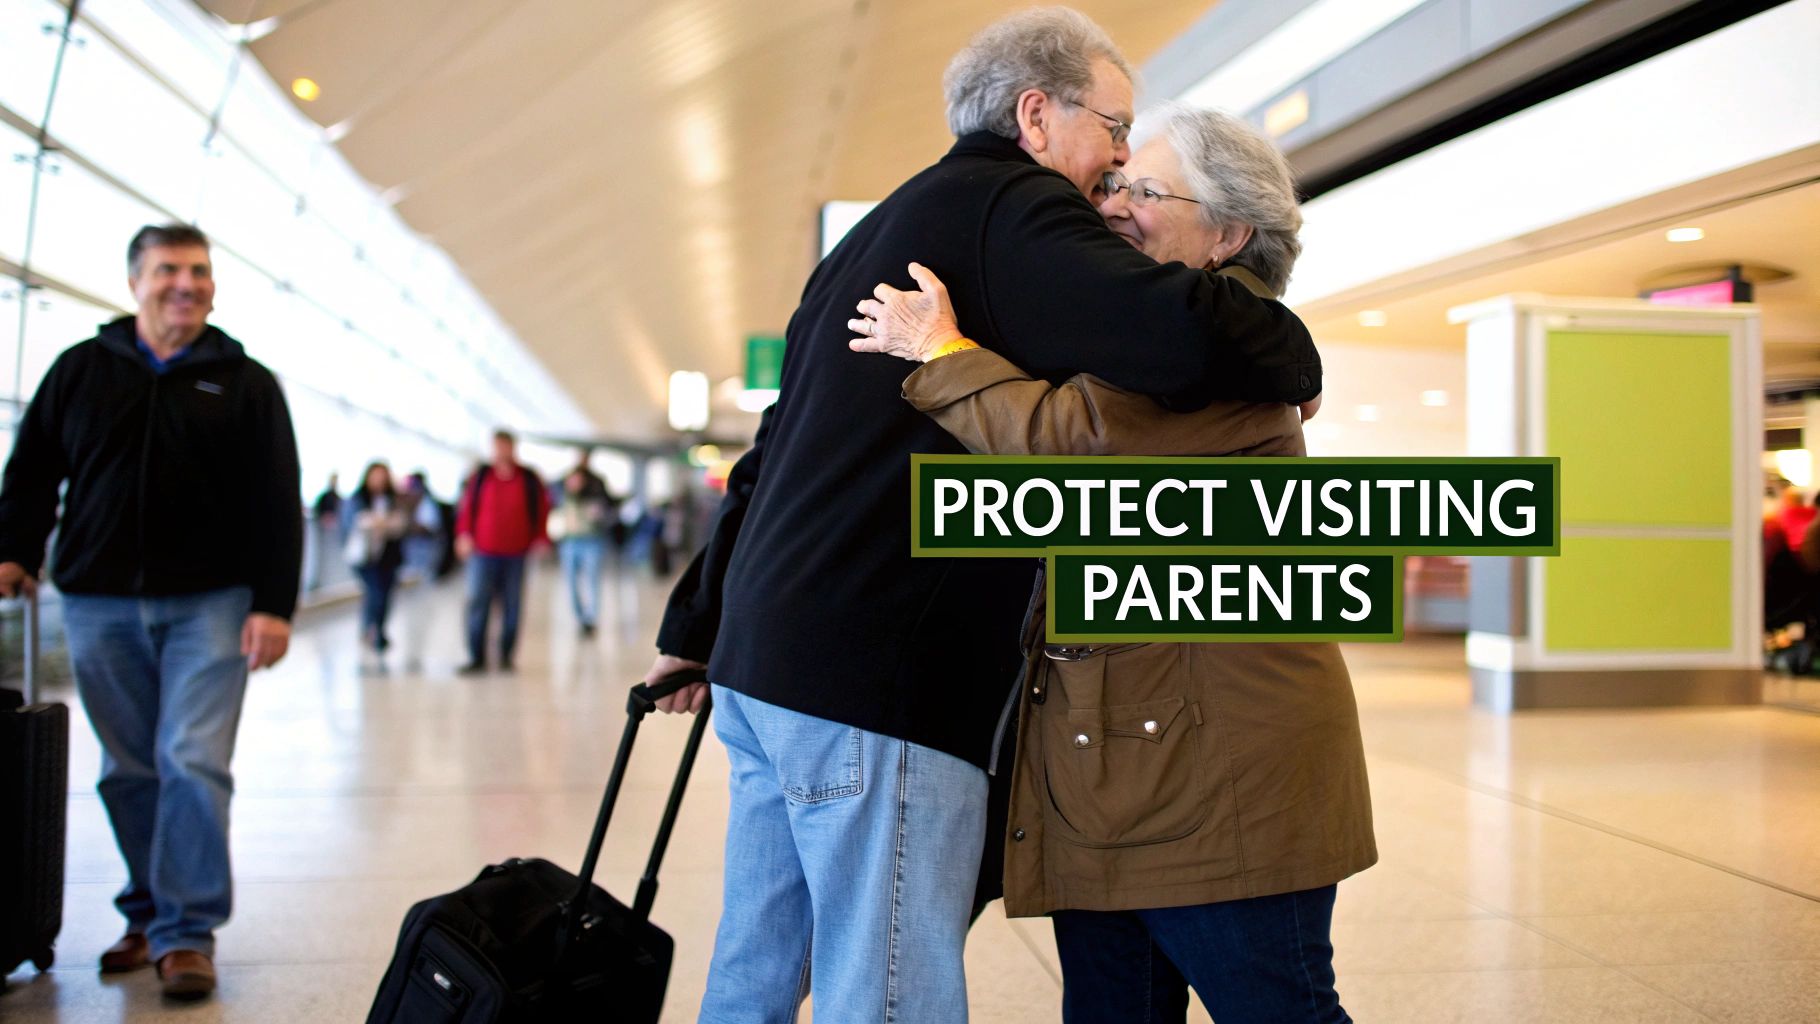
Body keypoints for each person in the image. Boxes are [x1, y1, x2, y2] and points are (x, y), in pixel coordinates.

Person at [643, 10, 1321, 1022]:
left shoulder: (883, 222)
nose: (1120, 160)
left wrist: (693, 627)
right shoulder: (1015, 205)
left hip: (766, 663)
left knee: (754, 970)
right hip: (874, 686)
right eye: (1114, 130)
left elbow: (774, 446)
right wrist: (1294, 354)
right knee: (885, 993)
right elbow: (1178, 330)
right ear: (1036, 114)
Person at [852, 104, 1373, 1023]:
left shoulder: (1217, 341)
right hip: (1125, 771)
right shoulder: (1145, 330)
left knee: (1277, 1005)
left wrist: (941, 352)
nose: (1114, 205)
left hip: (1222, 774)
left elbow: (1068, 449)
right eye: (1117, 184)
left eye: (1146, 190)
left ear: (1228, 234)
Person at [0, 223, 301, 1001]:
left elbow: (277, 501)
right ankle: (148, 913)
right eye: (168, 269)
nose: (186, 284)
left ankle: (186, 932)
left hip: (212, 602)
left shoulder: (245, 382)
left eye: (199, 271)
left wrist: (274, 605)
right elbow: (33, 468)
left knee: (192, 761)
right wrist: (14, 549)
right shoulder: (82, 371)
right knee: (129, 770)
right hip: (98, 602)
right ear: (134, 281)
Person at [455, 430, 547, 674]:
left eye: (505, 446)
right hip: (483, 551)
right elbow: (467, 508)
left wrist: (540, 538)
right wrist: (464, 534)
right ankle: (476, 657)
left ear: (512, 448)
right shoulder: (481, 476)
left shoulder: (528, 478)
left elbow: (541, 509)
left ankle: (506, 655)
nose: (500, 452)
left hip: (516, 552)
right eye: (497, 447)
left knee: (512, 605)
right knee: (478, 602)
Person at [551, 449, 616, 636]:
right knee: (571, 582)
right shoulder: (564, 481)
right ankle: (580, 618)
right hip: (570, 540)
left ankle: (591, 619)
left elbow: (609, 505)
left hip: (592, 539)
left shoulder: (597, 482)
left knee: (592, 580)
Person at [346, 461, 408, 655]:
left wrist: (383, 524)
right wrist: (378, 522)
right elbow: (354, 523)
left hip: (388, 557)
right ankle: (371, 630)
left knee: (385, 594)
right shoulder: (358, 498)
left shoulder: (394, 499)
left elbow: (401, 524)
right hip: (366, 557)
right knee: (375, 593)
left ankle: (377, 629)